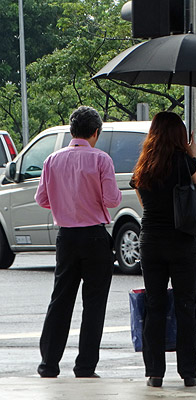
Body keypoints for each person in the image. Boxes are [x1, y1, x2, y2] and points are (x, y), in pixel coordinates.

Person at [35, 106, 122, 378]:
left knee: (60, 299)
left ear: (72, 131)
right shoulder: (101, 159)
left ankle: (48, 364)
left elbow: (42, 200)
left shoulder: (52, 160)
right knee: (94, 304)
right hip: (95, 236)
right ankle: (85, 366)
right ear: (95, 133)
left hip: (66, 238)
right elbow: (112, 200)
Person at [131, 111, 196, 388]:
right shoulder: (183, 162)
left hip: (151, 240)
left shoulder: (145, 164)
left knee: (155, 305)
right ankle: (188, 372)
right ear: (178, 136)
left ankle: (155, 373)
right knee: (186, 305)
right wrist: (193, 157)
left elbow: (141, 196)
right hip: (182, 241)